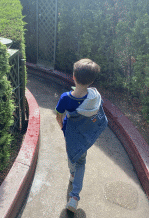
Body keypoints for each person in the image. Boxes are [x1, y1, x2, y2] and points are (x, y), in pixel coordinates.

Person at [55, 58, 108, 213]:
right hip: (84, 136)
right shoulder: (94, 97)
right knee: (81, 161)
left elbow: (59, 116)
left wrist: (62, 127)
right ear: (91, 81)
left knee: (72, 156)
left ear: (73, 77)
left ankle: (73, 182)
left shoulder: (66, 97)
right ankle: (74, 195)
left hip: (70, 134)